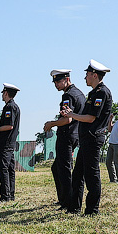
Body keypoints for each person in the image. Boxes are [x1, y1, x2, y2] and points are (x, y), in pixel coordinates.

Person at [62, 60, 113, 215]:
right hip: (86, 138)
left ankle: (92, 210)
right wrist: (72, 114)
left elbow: (91, 118)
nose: (85, 77)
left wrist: (72, 115)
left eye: (87, 74)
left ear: (94, 75)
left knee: (91, 175)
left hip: (93, 138)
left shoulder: (102, 93)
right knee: (78, 175)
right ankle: (74, 208)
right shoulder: (93, 93)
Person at [43, 69, 86, 209]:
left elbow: (67, 119)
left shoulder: (68, 96)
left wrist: (52, 124)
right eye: (54, 82)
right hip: (76, 134)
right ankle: (64, 199)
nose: (56, 84)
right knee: (57, 168)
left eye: (58, 81)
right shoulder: (79, 93)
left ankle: (67, 202)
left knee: (64, 170)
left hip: (67, 135)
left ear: (67, 79)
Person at [0, 83, 21, 201]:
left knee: (3, 169)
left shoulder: (10, 107)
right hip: (9, 143)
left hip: (6, 143)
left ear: (6, 93)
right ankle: (10, 195)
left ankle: (5, 196)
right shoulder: (12, 106)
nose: (2, 95)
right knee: (10, 169)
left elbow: (9, 126)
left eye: (3, 93)